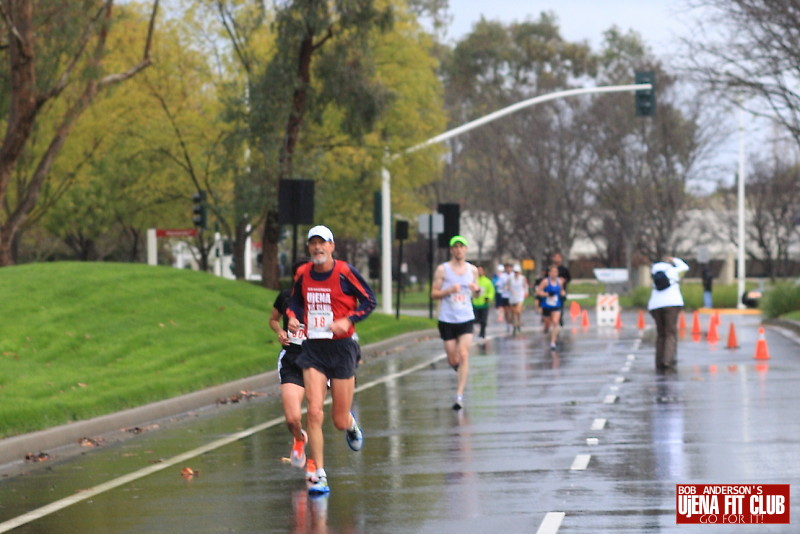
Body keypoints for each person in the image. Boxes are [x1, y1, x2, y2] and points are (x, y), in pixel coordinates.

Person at [287, 225, 377, 495]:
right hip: (314, 347)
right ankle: (319, 474)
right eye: (313, 244)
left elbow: (369, 301)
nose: (317, 248)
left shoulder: (345, 272)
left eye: (322, 243)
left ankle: (350, 425)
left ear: (331, 246)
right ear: (309, 248)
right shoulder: (303, 273)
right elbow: (295, 302)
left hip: (342, 348)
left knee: (338, 419)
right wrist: (292, 317)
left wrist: (348, 320)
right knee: (314, 411)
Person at [269, 259, 318, 483]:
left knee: (315, 416)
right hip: (292, 358)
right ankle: (299, 439)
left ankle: (316, 468)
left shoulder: (322, 297)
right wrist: (279, 330)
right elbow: (273, 319)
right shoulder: (286, 296)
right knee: (292, 419)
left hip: (318, 359)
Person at [431, 235, 480, 410]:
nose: (458, 249)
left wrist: (477, 290)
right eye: (455, 247)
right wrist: (450, 289)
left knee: (464, 353)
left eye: (461, 246)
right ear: (451, 250)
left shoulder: (472, 270)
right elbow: (433, 293)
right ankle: (459, 369)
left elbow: (477, 294)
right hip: (447, 319)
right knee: (453, 358)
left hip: (465, 317)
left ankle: (459, 395)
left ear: (466, 249)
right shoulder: (442, 270)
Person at [648, 256, 689, 371]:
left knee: (661, 334)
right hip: (671, 303)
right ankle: (668, 360)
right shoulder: (673, 270)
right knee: (670, 333)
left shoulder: (654, 270)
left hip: (655, 305)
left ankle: (659, 361)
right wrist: (675, 259)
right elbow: (685, 267)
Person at [536, 265, 565, 350]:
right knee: (547, 325)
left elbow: (561, 290)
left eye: (556, 272)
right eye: (552, 272)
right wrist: (546, 294)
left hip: (556, 305)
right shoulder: (545, 281)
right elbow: (538, 292)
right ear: (549, 273)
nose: (554, 273)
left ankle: (553, 343)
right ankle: (546, 329)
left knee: (555, 322)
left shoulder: (559, 282)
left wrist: (563, 293)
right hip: (546, 305)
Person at [472, 265, 495, 340]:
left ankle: (482, 333)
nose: (479, 272)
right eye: (478, 271)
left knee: (483, 320)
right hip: (475, 304)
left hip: (484, 304)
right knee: (475, 319)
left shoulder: (487, 281)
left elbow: (491, 291)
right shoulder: (473, 281)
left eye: (481, 270)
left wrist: (488, 298)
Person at [506, 264, 529, 335]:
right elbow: (507, 285)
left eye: (517, 272)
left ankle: (518, 323)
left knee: (518, 311)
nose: (516, 273)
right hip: (512, 296)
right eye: (515, 272)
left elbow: (526, 286)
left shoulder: (522, 278)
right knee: (513, 312)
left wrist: (526, 292)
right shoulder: (510, 278)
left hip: (520, 296)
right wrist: (508, 289)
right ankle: (515, 325)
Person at [550, 252, 571, 327]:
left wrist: (564, 280)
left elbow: (569, 278)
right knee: (551, 305)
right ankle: (551, 318)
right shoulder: (550, 269)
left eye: (559, 257)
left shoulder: (564, 269)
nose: (557, 259)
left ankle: (560, 317)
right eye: (556, 257)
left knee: (560, 305)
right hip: (551, 290)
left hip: (561, 290)